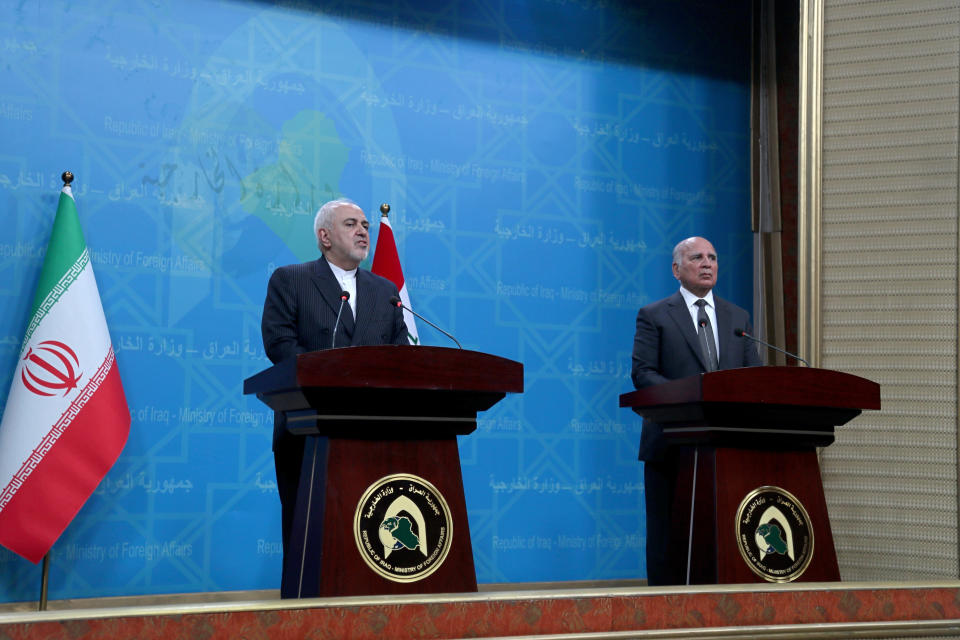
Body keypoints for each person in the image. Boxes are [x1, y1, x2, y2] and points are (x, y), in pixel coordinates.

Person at [260, 197, 407, 592]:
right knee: (311, 534)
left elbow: (401, 357)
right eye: (351, 224)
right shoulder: (291, 279)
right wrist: (336, 376)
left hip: (374, 432)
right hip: (309, 430)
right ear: (324, 237)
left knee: (371, 530)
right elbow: (279, 344)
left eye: (365, 225)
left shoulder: (386, 290)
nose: (363, 231)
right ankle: (302, 613)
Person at [631, 236, 762, 586]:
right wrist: (688, 399)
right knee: (666, 537)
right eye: (697, 257)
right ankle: (663, 615)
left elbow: (753, 376)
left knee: (721, 533)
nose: (707, 263)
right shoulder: (655, 315)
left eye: (713, 257)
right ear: (676, 269)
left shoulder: (738, 317)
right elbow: (643, 374)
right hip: (671, 443)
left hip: (727, 446)